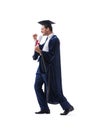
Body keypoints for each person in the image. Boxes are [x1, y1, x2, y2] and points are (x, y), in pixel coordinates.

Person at [33, 20, 74, 115]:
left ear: (48, 29)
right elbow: (41, 48)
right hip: (41, 67)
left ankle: (67, 107)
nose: (41, 30)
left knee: (54, 88)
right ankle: (44, 108)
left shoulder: (55, 40)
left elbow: (51, 55)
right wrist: (36, 41)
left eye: (43, 28)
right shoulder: (47, 39)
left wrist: (40, 52)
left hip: (49, 69)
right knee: (37, 86)